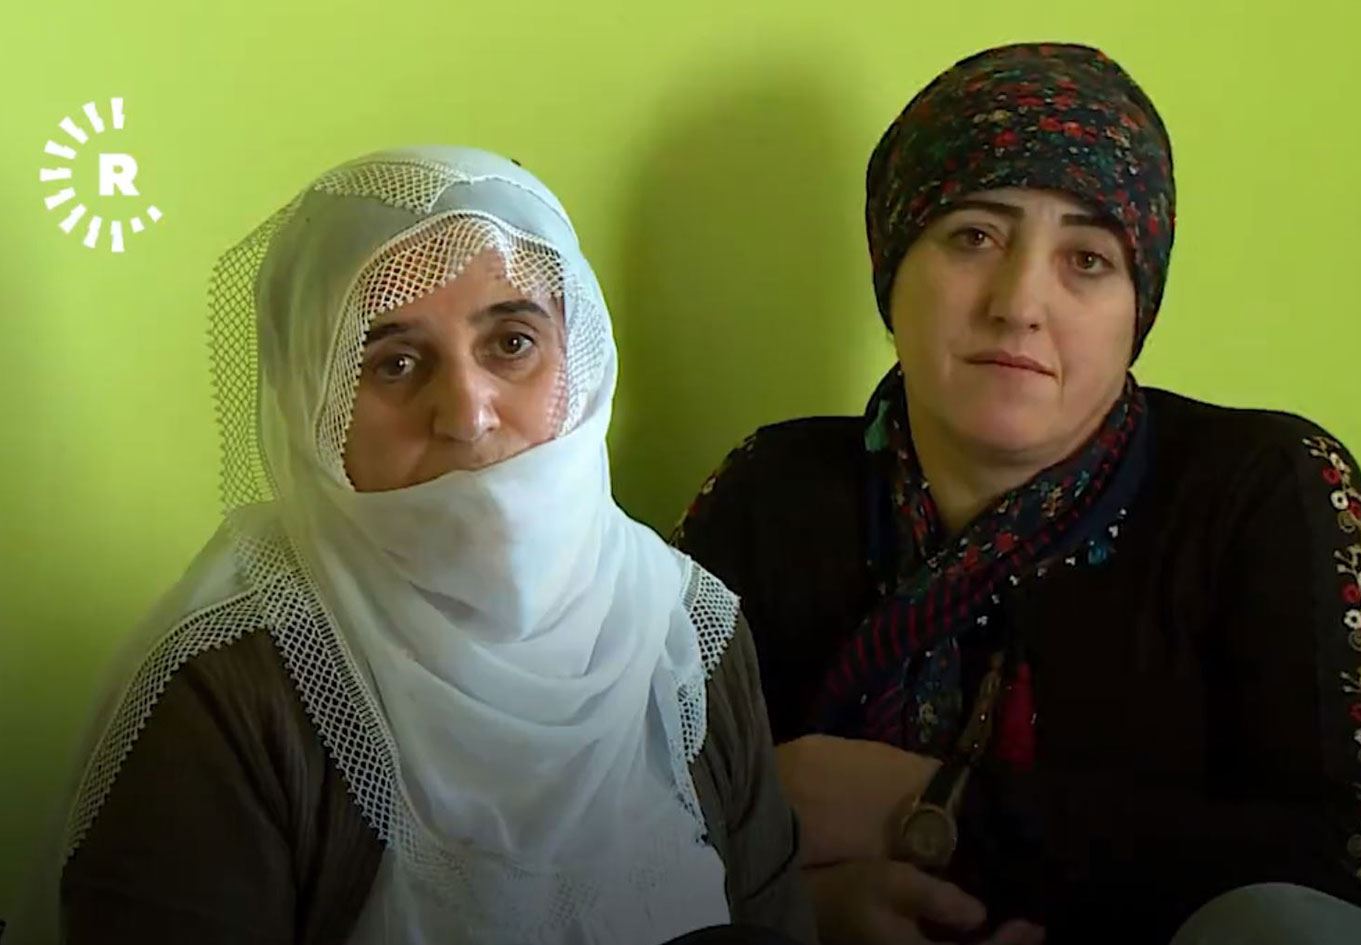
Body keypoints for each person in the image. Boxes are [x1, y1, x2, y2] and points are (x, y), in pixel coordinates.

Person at [672, 44, 1361, 945]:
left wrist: (928, 805)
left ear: (1138, 307)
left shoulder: (1270, 486)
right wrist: (793, 908)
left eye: (1088, 259)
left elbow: (1360, 861)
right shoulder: (771, 491)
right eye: (974, 236)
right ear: (890, 265)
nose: (1020, 302)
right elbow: (621, 807)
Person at [52, 146, 814, 945]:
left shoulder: (685, 632)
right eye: (395, 363)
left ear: (581, 360)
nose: (468, 414)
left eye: (512, 343)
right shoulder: (226, 692)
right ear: (313, 409)